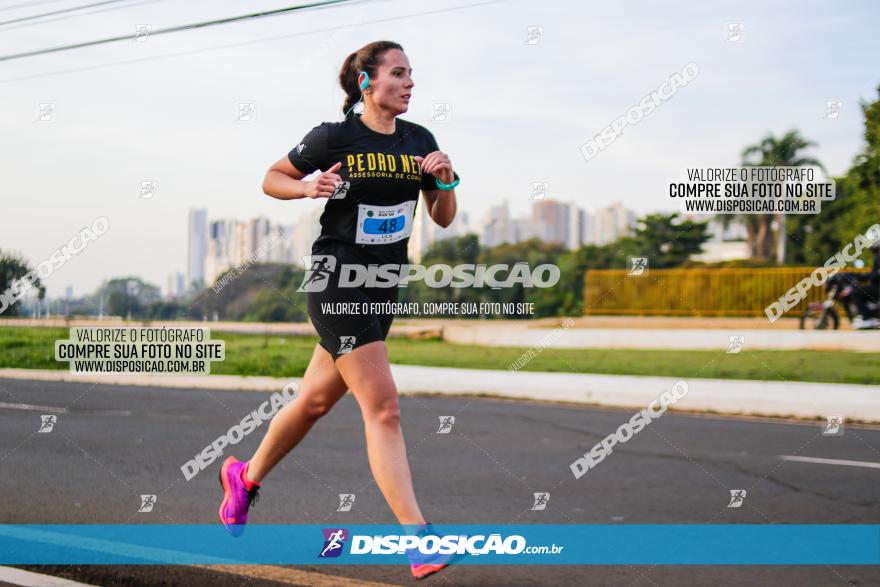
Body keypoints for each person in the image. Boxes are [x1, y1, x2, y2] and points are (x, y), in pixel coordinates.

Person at [217, 40, 461, 580]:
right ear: (367, 84)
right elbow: (271, 177)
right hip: (336, 279)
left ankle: (244, 477)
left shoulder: (420, 140)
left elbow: (441, 217)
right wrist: (308, 187)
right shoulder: (335, 136)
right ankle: (417, 539)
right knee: (384, 407)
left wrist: (443, 180)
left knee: (313, 401)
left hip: (382, 284)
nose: (410, 83)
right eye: (399, 73)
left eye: (411, 74)